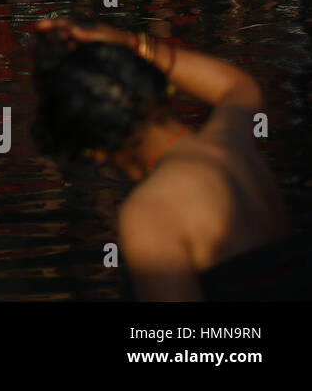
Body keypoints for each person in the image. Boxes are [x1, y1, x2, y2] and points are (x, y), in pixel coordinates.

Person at [34, 19, 302, 301]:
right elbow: (237, 86)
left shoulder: (151, 211)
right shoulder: (233, 148)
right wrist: (134, 45)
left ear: (95, 148)